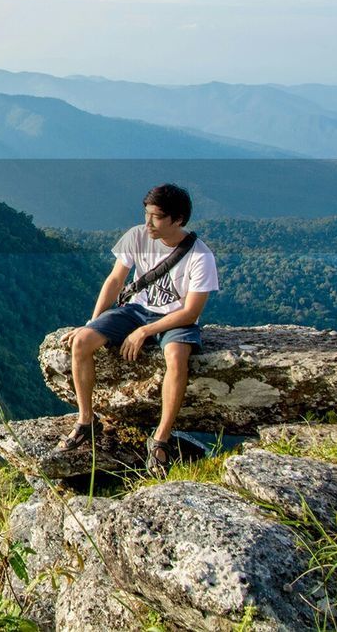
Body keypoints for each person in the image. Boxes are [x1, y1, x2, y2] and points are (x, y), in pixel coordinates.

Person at [54, 183, 219, 476]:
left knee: (176, 358)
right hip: (134, 310)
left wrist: (145, 332)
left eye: (156, 217)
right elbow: (116, 280)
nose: (148, 223)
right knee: (81, 342)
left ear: (178, 219)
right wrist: (93, 322)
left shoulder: (200, 257)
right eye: (146, 214)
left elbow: (191, 311)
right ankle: (86, 420)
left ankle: (161, 439)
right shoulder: (137, 236)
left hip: (175, 317)